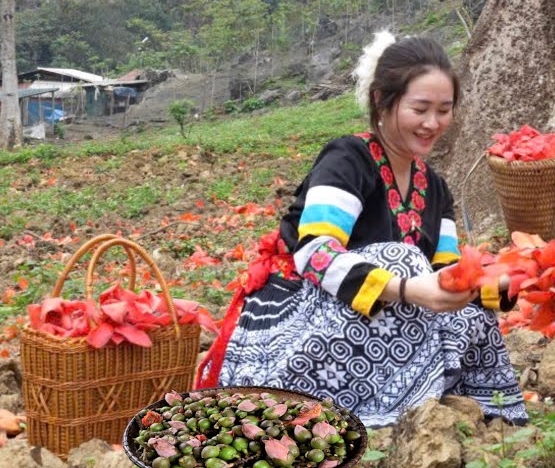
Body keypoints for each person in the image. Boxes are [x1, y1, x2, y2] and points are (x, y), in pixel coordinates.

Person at [197, 32, 527, 426]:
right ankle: (374, 408)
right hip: (301, 313)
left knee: (468, 315)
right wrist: (407, 287)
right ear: (381, 101)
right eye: (420, 108)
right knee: (401, 259)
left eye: (444, 110)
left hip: (382, 323)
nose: (432, 123)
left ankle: (451, 404)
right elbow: (315, 254)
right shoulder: (348, 158)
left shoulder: (436, 187)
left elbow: (450, 277)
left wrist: (518, 279)